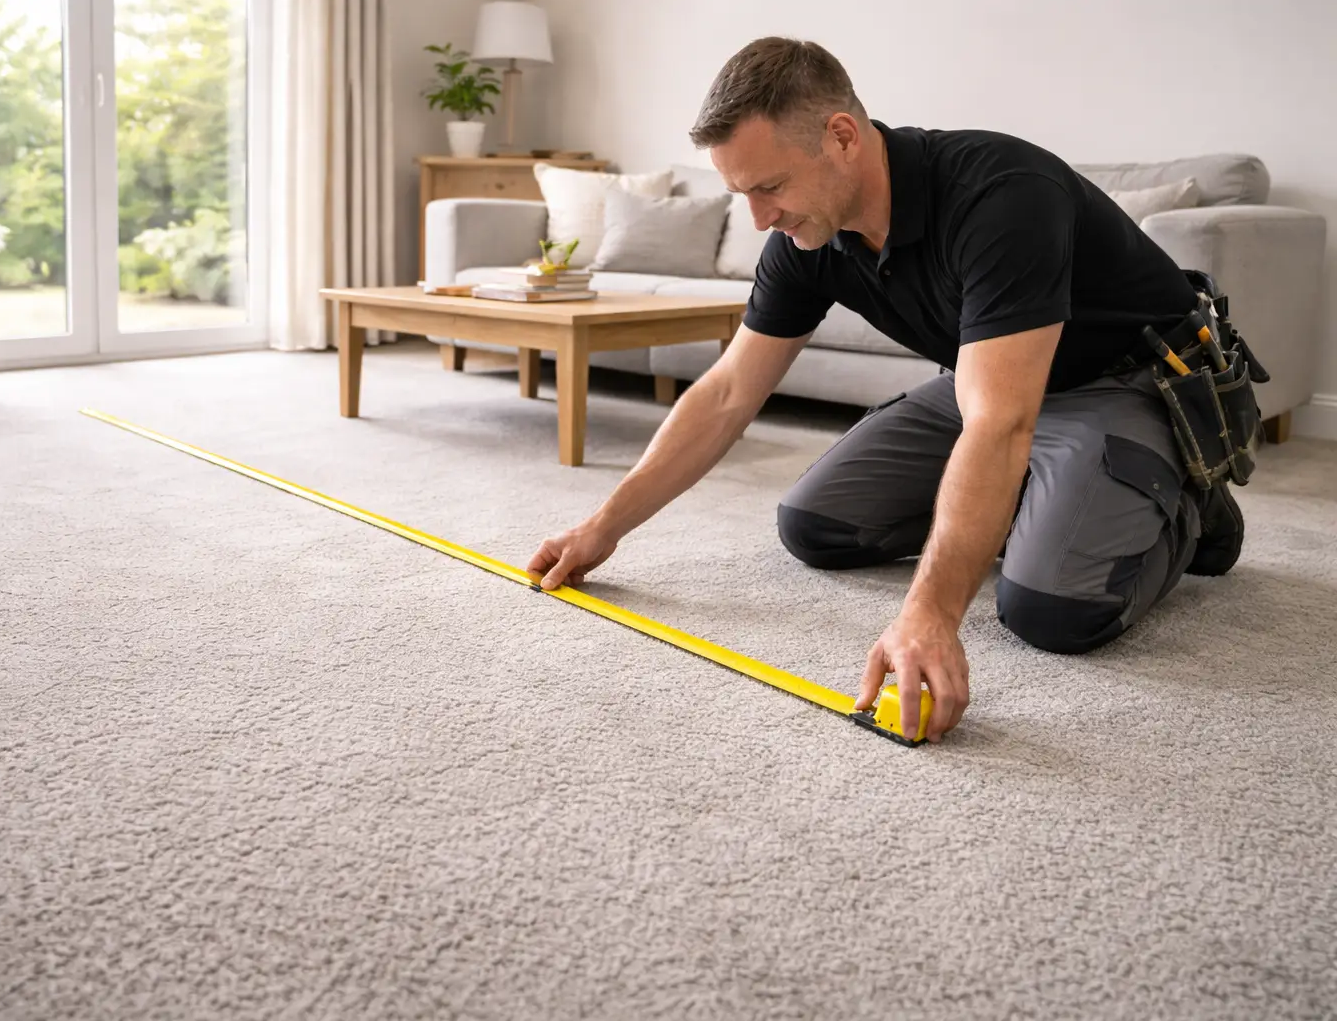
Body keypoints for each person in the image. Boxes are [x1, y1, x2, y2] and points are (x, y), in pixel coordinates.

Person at [526, 36, 1247, 743]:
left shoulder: (1000, 195)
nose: (760, 219)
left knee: (1052, 611)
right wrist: (603, 527)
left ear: (841, 136)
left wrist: (928, 613)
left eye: (770, 187)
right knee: (817, 526)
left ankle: (1191, 506)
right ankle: (1042, 500)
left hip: (1126, 382)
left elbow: (999, 423)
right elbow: (726, 395)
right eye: (741, 194)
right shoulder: (806, 239)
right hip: (987, 384)